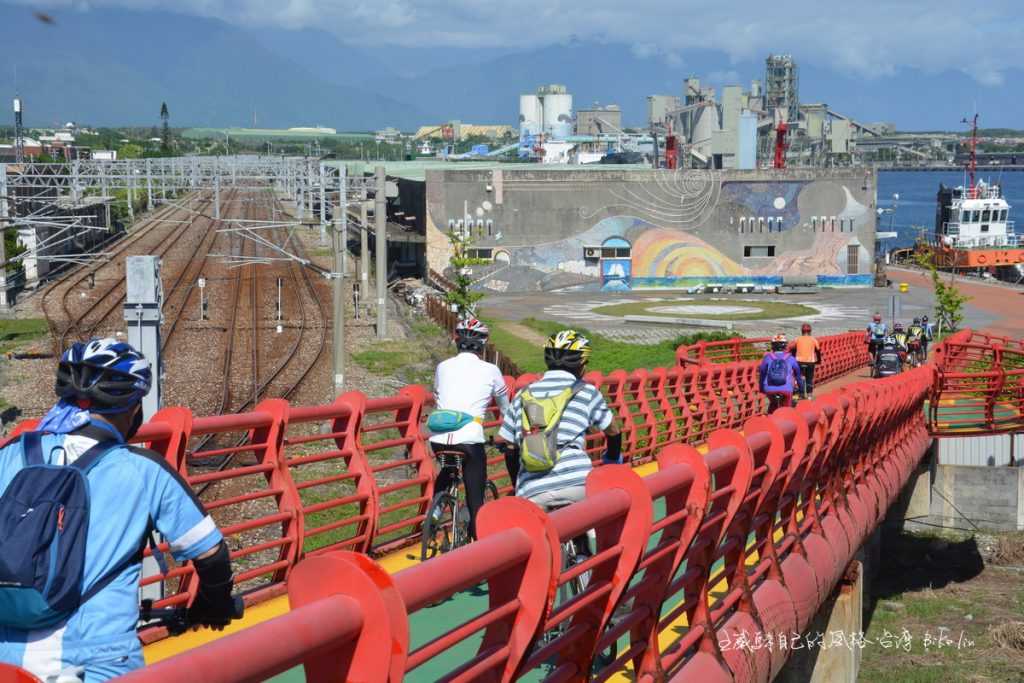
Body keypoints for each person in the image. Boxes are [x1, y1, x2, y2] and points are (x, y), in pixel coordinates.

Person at [0, 338, 237, 682]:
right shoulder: (143, 469)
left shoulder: (10, 455)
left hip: (9, 657)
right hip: (98, 660)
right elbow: (211, 554)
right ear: (131, 407)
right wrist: (211, 605)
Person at [495, 330, 622, 510]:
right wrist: (612, 459)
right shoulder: (586, 392)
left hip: (533, 491)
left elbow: (510, 449)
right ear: (582, 365)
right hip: (577, 483)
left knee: (539, 536)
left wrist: (519, 486)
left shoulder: (524, 395)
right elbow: (614, 432)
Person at [430, 318, 509, 541]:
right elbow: (505, 408)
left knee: (448, 469)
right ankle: (478, 550)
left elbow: (437, 396)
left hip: (438, 437)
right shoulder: (491, 370)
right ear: (483, 344)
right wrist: (507, 431)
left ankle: (435, 511)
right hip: (470, 439)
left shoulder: (442, 366)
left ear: (457, 341)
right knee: (475, 499)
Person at [758, 334, 805, 413]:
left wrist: (761, 388)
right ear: (785, 346)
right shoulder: (791, 358)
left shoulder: (767, 357)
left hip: (769, 389)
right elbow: (798, 375)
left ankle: (770, 418)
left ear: (772, 346)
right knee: (787, 410)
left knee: (773, 403)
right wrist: (801, 389)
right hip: (786, 388)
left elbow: (762, 374)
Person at [792, 323, 821, 399]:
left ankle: (800, 394)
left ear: (802, 331)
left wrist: (793, 359)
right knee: (809, 378)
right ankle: (809, 395)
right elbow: (818, 351)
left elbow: (793, 350)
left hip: (799, 361)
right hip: (810, 362)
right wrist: (818, 361)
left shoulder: (797, 339)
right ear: (810, 331)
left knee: (798, 377)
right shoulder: (813, 339)